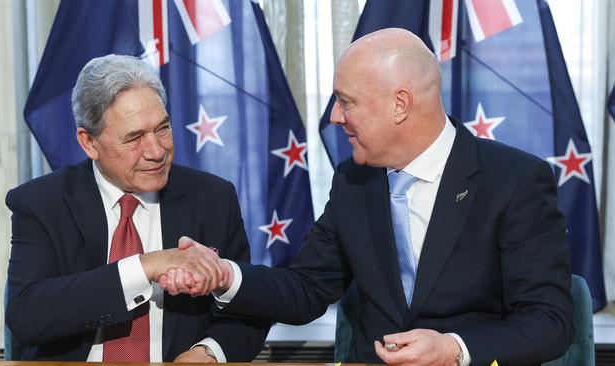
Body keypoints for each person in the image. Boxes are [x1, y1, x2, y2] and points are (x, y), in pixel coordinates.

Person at [160, 28, 574, 366]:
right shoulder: (354, 182)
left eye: (346, 101)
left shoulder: (514, 180)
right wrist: (227, 275)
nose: (335, 116)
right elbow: (306, 288)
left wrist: (453, 348)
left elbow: (548, 322)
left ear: (400, 104)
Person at [5, 54, 267, 362]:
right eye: (134, 138)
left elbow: (248, 310)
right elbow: (27, 317)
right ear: (88, 142)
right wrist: (144, 267)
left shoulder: (212, 198)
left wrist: (210, 352)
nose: (156, 151)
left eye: (163, 128)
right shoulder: (41, 203)